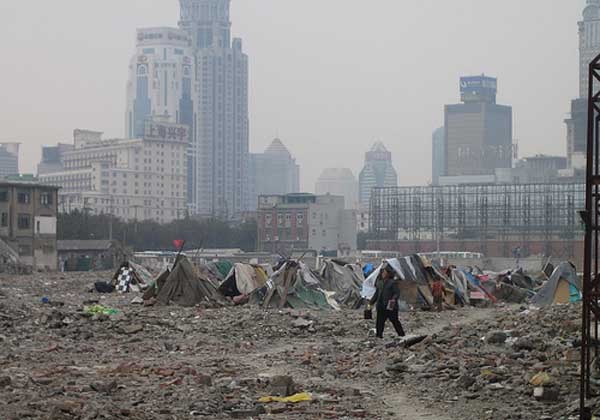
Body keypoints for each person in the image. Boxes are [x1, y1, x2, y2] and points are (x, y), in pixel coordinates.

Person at [368, 265, 405, 339]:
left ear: (388, 274)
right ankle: (379, 336)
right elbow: (376, 294)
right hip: (381, 306)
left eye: (384, 272)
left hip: (390, 306)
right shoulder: (380, 282)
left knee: (395, 321)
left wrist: (393, 300)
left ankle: (402, 335)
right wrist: (371, 302)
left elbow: (396, 293)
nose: (383, 273)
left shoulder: (392, 283)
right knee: (379, 322)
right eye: (383, 272)